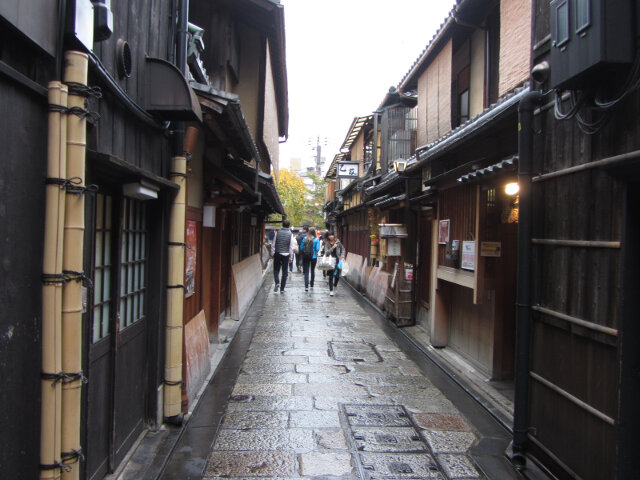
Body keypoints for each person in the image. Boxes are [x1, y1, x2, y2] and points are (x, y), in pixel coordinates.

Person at [270, 219, 297, 293]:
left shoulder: (277, 232)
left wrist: (272, 254)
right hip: (286, 254)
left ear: (282, 225)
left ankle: (277, 282)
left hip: (278, 253)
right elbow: (291, 247)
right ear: (288, 225)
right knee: (285, 271)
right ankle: (282, 289)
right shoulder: (290, 234)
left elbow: (273, 244)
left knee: (276, 269)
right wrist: (291, 257)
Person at [320, 231, 345, 296]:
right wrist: (333, 247)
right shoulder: (326, 243)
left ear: (334, 235)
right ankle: (331, 290)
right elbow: (327, 253)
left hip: (337, 260)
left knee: (337, 275)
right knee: (331, 276)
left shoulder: (338, 242)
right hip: (329, 261)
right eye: (329, 235)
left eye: (332, 235)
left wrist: (342, 255)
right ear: (327, 236)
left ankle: (335, 285)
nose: (331, 236)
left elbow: (343, 249)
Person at [300, 227, 320, 292]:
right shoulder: (316, 240)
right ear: (314, 232)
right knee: (312, 270)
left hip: (306, 256)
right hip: (313, 257)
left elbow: (301, 247)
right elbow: (317, 249)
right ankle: (312, 284)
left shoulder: (305, 238)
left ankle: (306, 286)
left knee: (306, 271)